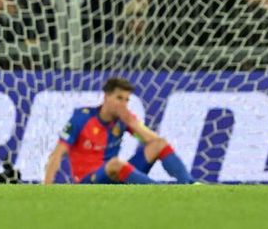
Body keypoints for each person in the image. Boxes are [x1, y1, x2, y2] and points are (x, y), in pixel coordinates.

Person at [42, 77, 194, 185]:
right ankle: (160, 191)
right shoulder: (82, 118)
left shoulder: (124, 119)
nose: (123, 104)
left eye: (127, 100)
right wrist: (47, 187)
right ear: (106, 97)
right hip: (88, 181)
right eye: (119, 98)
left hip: (116, 176)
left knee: (159, 144)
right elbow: (57, 153)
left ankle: (189, 185)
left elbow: (154, 142)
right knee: (115, 163)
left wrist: (133, 124)